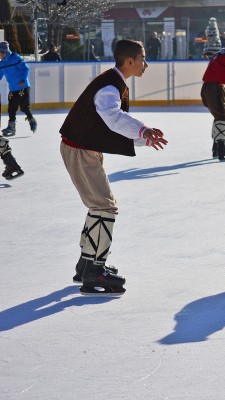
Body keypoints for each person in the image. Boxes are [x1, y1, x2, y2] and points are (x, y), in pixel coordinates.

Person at [60, 39, 167, 296]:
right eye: (143, 58)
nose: (146, 64)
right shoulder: (110, 86)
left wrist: (143, 137)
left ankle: (86, 264)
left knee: (100, 205)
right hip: (80, 150)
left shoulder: (113, 81)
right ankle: (95, 271)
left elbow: (110, 125)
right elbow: (113, 117)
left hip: (83, 148)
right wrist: (143, 130)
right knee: (105, 207)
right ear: (130, 61)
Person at [0, 42, 36, 137]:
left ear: (5, 51)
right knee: (11, 108)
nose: (0, 55)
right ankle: (11, 127)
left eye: (1, 52)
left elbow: (26, 69)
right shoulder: (2, 63)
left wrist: (23, 80)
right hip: (12, 89)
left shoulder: (15, 58)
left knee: (24, 107)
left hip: (23, 87)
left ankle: (31, 120)